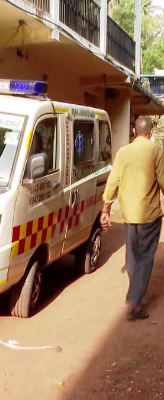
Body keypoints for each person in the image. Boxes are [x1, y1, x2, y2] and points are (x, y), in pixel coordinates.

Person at [102, 116, 164, 320]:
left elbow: (113, 181)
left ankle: (134, 298)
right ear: (151, 133)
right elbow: (163, 180)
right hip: (149, 214)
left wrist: (106, 209)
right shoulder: (156, 150)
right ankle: (133, 300)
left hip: (129, 214)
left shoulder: (123, 152)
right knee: (146, 257)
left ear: (135, 132)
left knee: (133, 256)